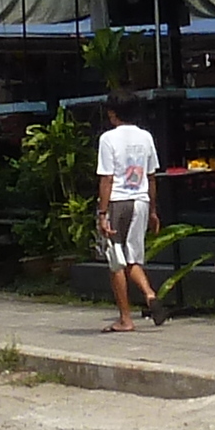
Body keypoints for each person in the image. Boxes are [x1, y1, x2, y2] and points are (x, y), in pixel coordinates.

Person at [93, 96, 162, 332]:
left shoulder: (108, 139)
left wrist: (102, 213)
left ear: (113, 113)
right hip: (140, 200)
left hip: (116, 201)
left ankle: (125, 318)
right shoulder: (146, 137)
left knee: (116, 261)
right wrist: (153, 210)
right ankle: (150, 294)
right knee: (132, 258)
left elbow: (107, 178)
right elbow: (152, 176)